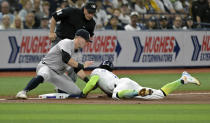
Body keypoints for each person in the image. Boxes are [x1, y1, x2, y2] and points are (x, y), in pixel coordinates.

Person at [16, 29, 94, 99]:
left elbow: (77, 69)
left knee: (77, 93)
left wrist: (89, 82)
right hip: (46, 66)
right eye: (86, 40)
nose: (87, 43)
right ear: (79, 37)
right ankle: (23, 92)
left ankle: (59, 89)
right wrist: (83, 65)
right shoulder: (66, 42)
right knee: (44, 74)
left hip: (58, 74)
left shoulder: (78, 54)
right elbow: (66, 59)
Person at [82, 60, 201, 100]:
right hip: (126, 82)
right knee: (160, 94)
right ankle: (183, 79)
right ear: (110, 69)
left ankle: (137, 92)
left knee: (116, 95)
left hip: (121, 87)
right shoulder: (109, 74)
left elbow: (92, 82)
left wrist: (84, 93)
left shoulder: (96, 71)